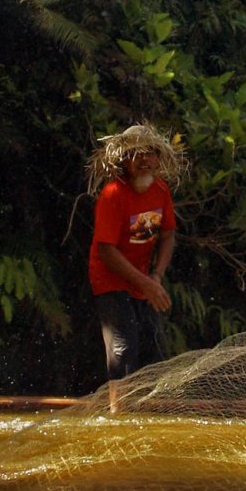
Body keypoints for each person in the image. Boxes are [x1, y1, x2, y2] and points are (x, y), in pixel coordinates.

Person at [85, 123, 188, 388]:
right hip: (111, 280)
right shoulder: (113, 194)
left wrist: (157, 275)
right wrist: (147, 283)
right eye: (136, 154)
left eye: (150, 153)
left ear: (158, 158)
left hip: (144, 280)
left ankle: (145, 405)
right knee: (123, 348)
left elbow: (168, 235)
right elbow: (106, 250)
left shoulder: (160, 190)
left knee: (152, 346)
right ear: (124, 160)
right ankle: (118, 406)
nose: (144, 159)